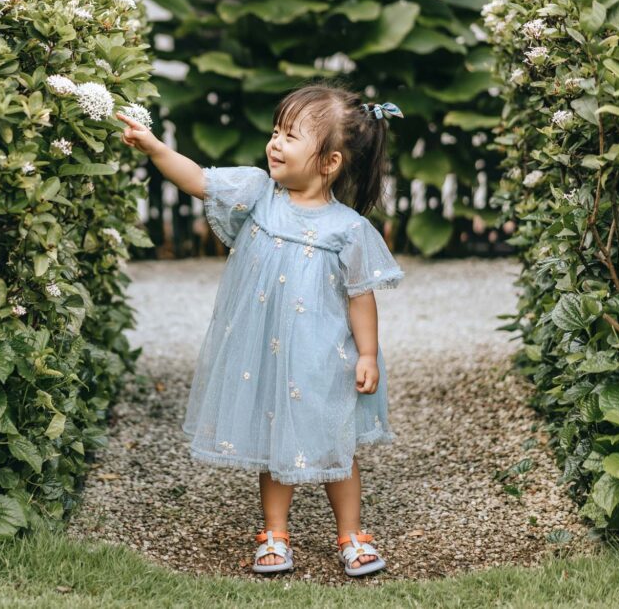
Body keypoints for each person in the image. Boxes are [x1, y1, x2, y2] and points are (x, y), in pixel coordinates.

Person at [114, 79, 405, 578]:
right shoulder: (257, 194)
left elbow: (361, 296)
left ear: (329, 162)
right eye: (276, 130)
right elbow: (198, 180)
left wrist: (367, 355)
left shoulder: (348, 229)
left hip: (322, 357)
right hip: (269, 353)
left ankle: (352, 533)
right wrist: (157, 147)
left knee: (338, 444)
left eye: (290, 136)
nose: (274, 142)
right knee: (276, 442)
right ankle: (274, 532)